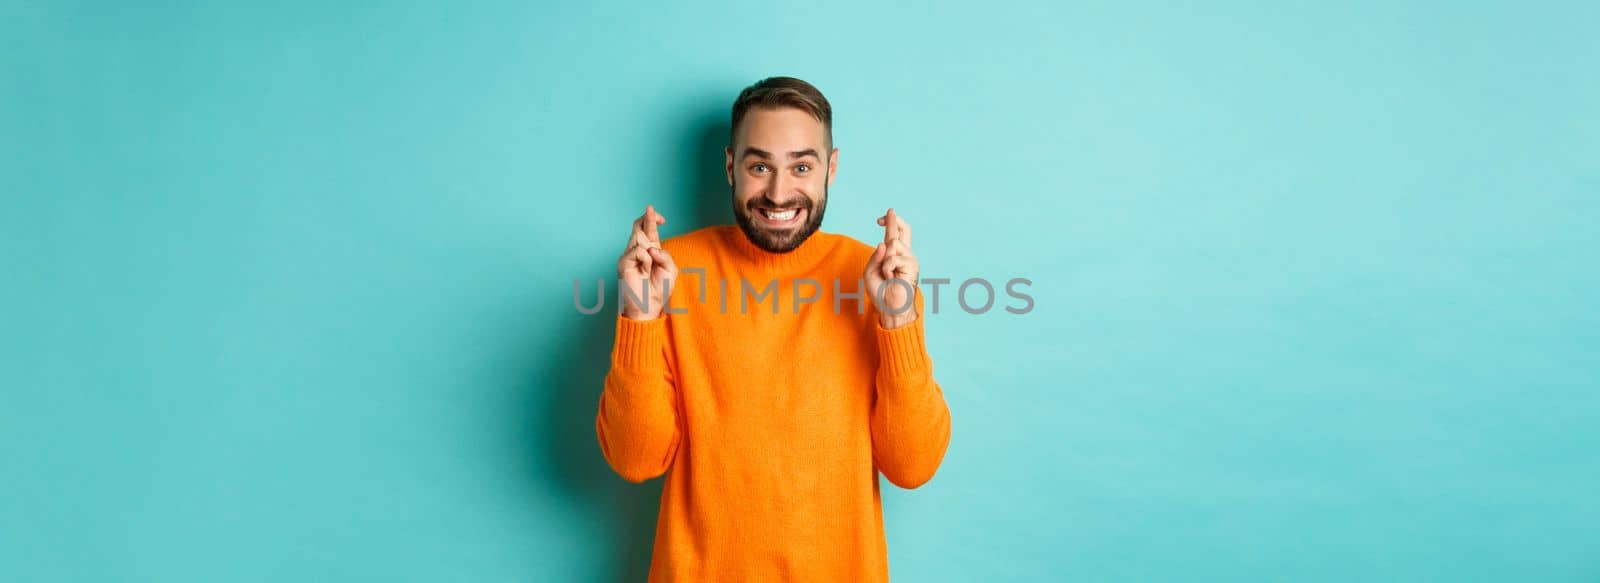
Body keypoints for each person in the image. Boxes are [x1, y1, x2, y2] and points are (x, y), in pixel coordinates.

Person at [596, 76, 952, 582]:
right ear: (730, 168)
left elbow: (911, 465)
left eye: (801, 166)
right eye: (760, 165)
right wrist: (639, 315)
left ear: (830, 169)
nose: (779, 192)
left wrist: (898, 318)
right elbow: (636, 460)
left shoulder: (870, 277)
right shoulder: (667, 272)